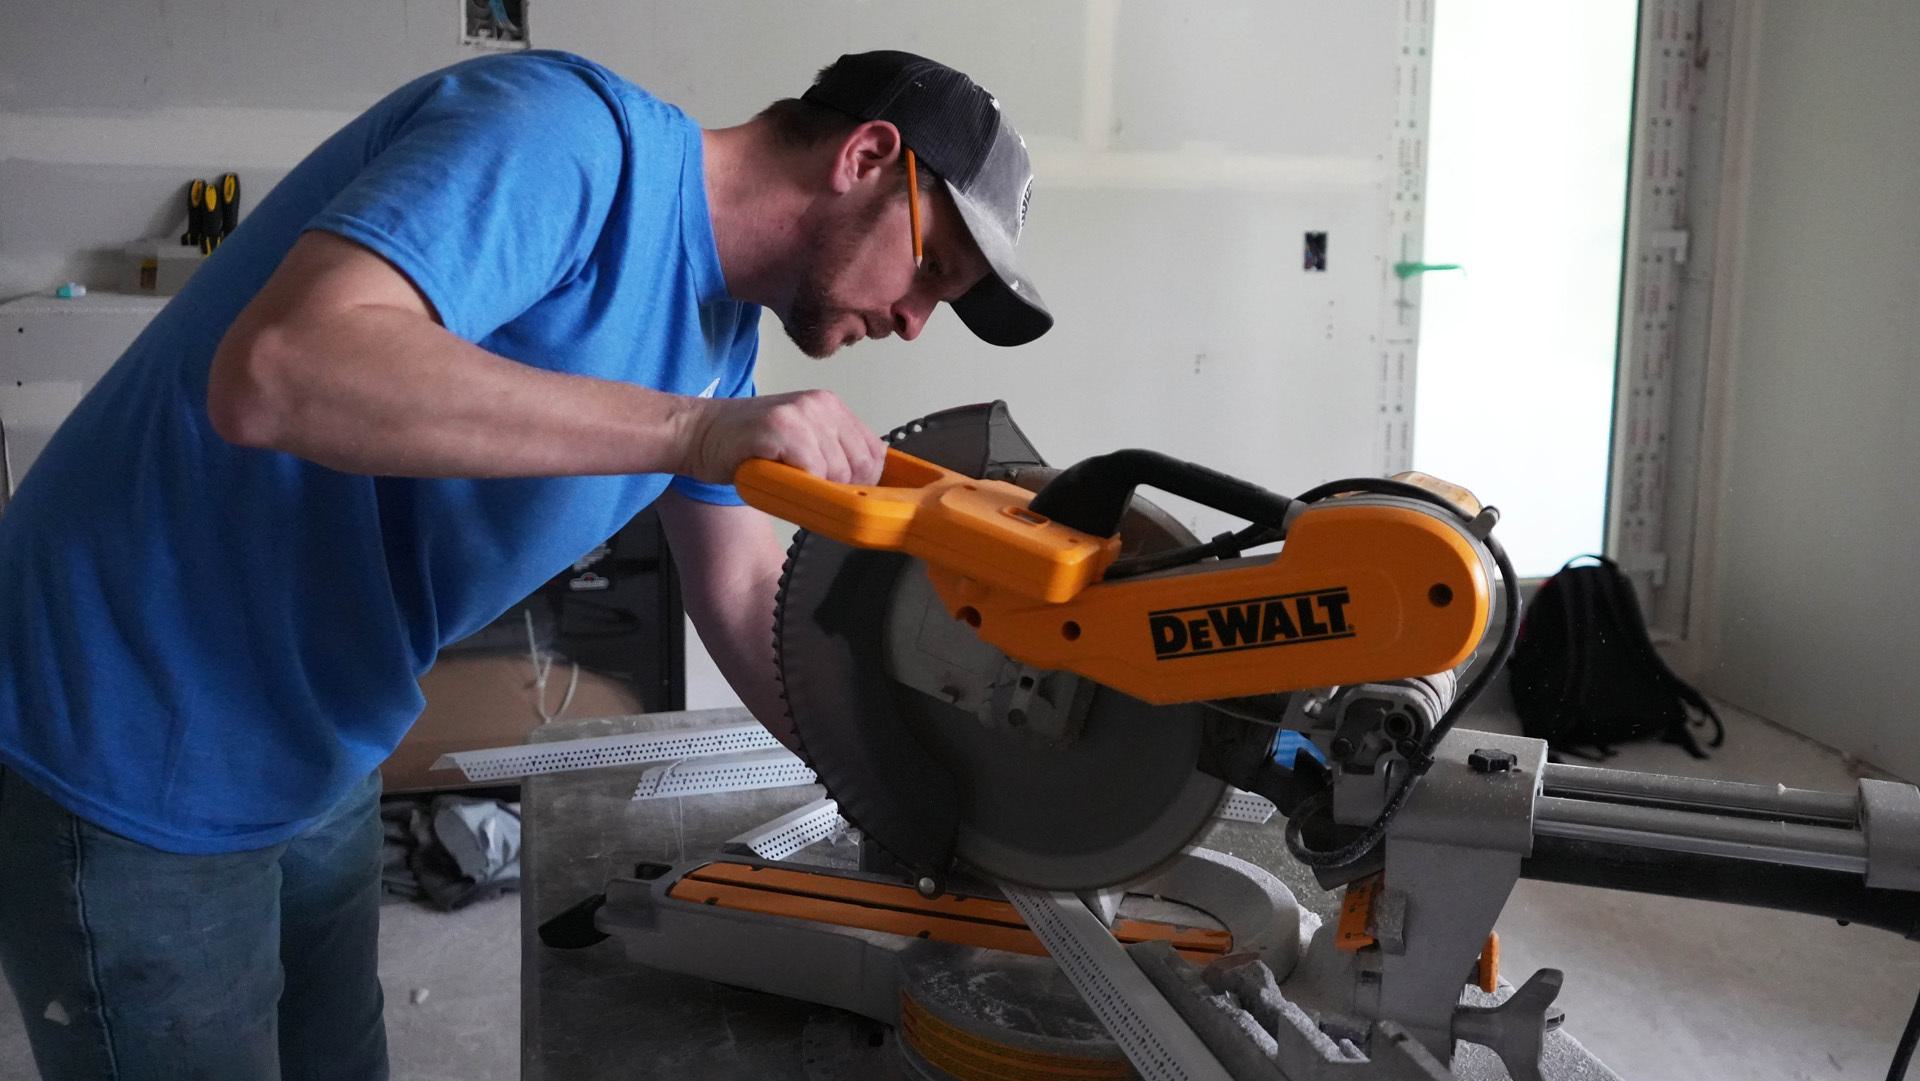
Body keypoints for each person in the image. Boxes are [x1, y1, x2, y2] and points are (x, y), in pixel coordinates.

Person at [0, 47, 1049, 1080]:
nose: (914, 322)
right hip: (125, 715)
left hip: (317, 730)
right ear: (867, 156)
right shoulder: (566, 138)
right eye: (931, 270)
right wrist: (689, 431)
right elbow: (280, 369)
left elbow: (740, 590)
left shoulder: (721, 339)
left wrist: (910, 790)